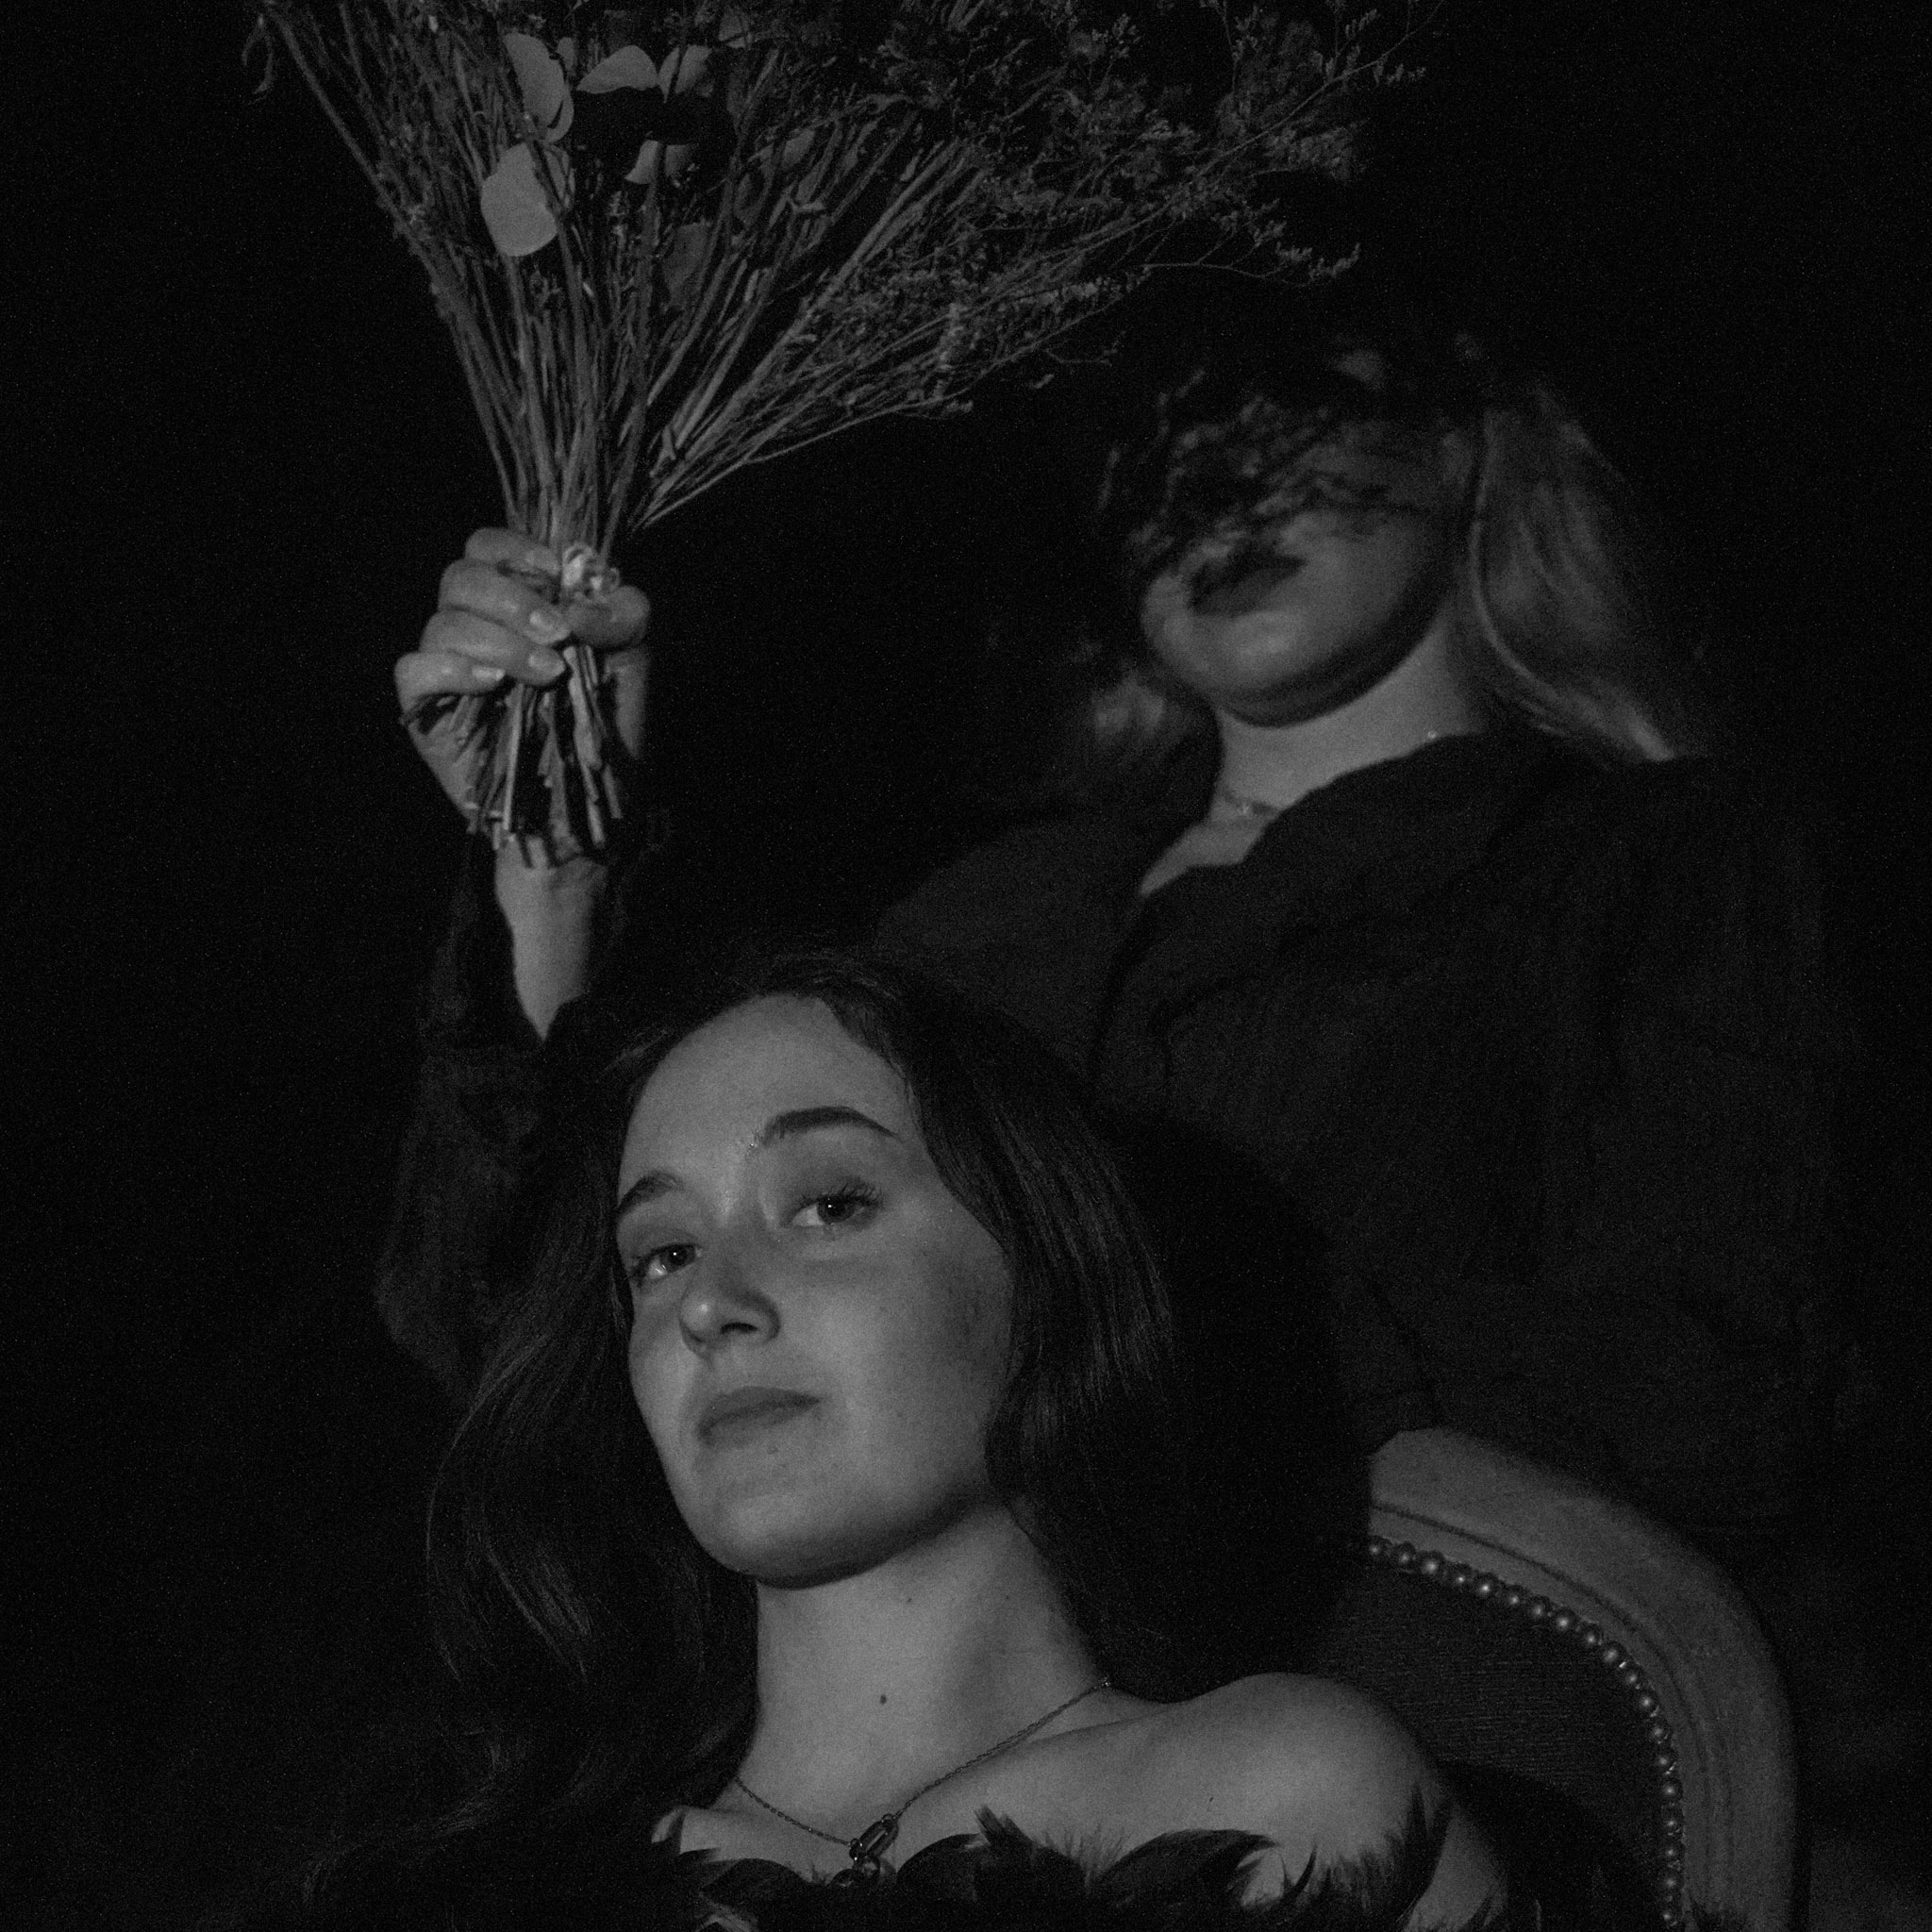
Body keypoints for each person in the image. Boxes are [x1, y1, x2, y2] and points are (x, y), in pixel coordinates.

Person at [384, 291, 1857, 1573]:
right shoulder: (977, 922)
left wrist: (1098, 1339)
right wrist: (554, 865)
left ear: (1464, 427)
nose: (1213, 481)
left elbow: (1719, 1392)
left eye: (1285, 403)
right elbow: (532, 1357)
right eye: (1147, 438)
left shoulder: (1652, 862)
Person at [269, 954, 1508, 1928]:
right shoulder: (503, 1880)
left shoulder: (1285, 1796)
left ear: (1040, 1271)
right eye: (663, 1253)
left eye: (829, 1204)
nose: (712, 1302)